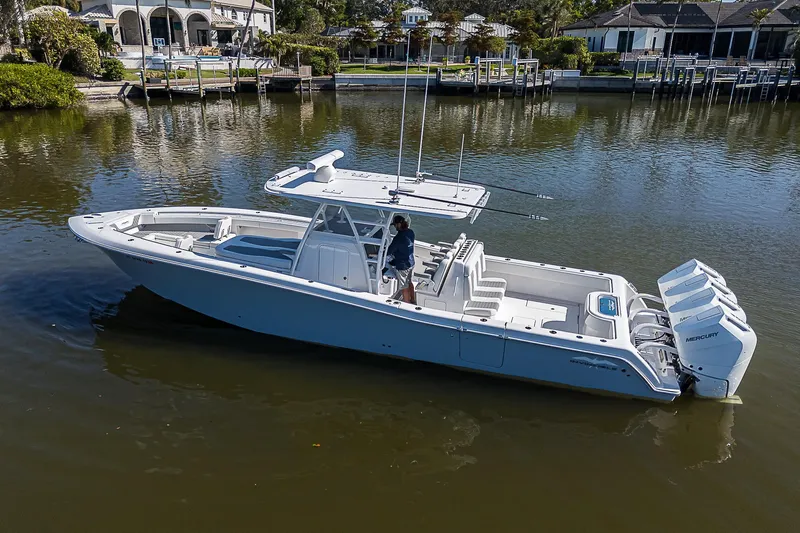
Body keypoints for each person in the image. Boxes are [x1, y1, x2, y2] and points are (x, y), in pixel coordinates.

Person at [383, 215, 416, 304]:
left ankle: (407, 306)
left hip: (403, 265)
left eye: (395, 225)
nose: (394, 227)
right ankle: (413, 300)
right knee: (409, 282)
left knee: (403, 287)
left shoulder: (398, 238)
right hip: (411, 262)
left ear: (398, 225)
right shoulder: (410, 232)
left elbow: (389, 252)